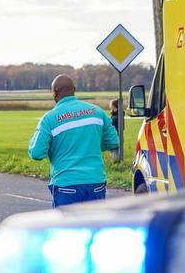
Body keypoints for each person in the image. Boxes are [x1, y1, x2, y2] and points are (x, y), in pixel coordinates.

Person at [29, 75, 120, 207]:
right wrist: (91, 145)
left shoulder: (49, 119)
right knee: (94, 226)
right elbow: (113, 141)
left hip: (66, 185)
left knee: (67, 227)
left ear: (54, 93)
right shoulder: (97, 112)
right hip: (95, 182)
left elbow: (37, 153)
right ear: (74, 89)